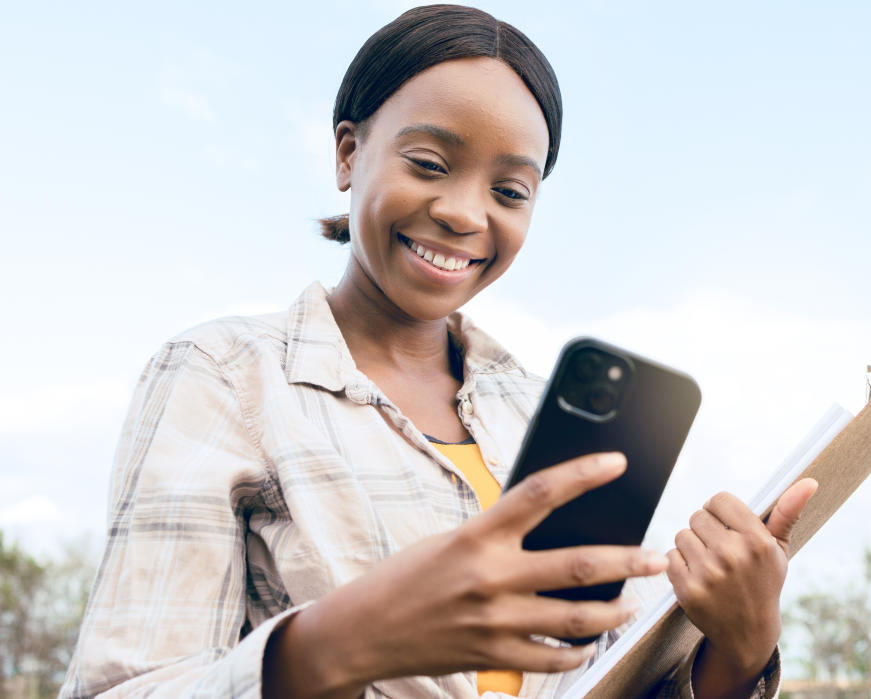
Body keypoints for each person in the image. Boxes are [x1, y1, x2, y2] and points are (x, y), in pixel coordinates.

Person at [60, 5, 819, 698]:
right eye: (428, 164)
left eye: (510, 191)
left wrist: (739, 650)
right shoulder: (223, 375)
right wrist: (336, 641)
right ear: (349, 154)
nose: (463, 213)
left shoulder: (540, 413)